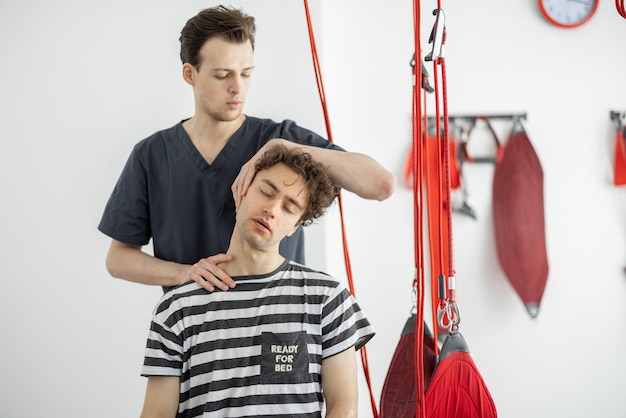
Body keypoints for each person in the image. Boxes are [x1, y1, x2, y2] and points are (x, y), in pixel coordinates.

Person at [98, 5, 395, 293]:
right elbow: (119, 258)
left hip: (280, 330)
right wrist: (185, 273)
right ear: (190, 74)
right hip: (197, 332)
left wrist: (283, 146)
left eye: (246, 73)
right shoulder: (152, 155)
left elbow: (380, 185)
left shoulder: (280, 139)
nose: (237, 87)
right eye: (222, 75)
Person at [139, 144, 374, 418]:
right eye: (266, 191)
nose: (272, 209)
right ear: (243, 189)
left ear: (295, 226)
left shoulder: (328, 299)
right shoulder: (176, 309)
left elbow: (343, 408)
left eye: (289, 207)